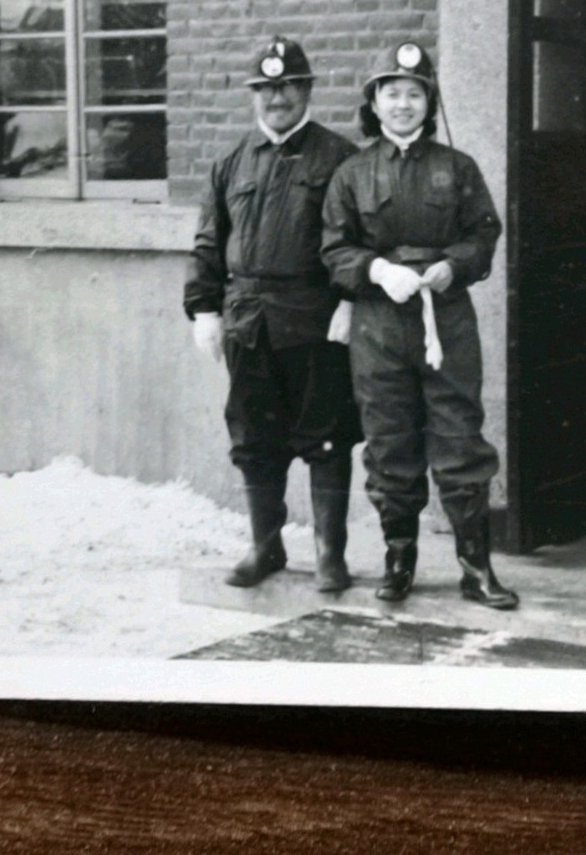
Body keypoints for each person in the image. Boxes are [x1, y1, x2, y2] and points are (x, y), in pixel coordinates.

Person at [321, 42, 516, 609]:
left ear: (429, 103)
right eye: (391, 93)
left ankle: (475, 566)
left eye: (413, 93)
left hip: (445, 320)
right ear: (374, 103)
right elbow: (333, 247)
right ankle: (399, 557)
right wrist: (376, 270)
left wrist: (451, 266)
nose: (402, 104)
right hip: (379, 325)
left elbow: (484, 235)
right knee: (388, 439)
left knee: (458, 435)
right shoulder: (352, 174)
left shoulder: (457, 169)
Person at [184, 37, 362, 592]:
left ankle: (330, 555)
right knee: (254, 439)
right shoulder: (232, 162)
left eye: (286, 86)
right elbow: (209, 243)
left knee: (326, 436)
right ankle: (266, 547)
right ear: (253, 97)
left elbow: (358, 240)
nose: (276, 98)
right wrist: (203, 310)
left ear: (306, 89)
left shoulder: (339, 159)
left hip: (314, 320)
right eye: (265, 89)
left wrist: (350, 302)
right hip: (248, 322)